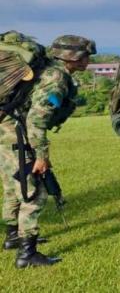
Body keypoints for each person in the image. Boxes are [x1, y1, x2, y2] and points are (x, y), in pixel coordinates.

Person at [0, 34, 95, 268]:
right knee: (33, 192)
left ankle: (13, 236)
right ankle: (27, 254)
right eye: (84, 56)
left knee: (13, 187)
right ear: (70, 57)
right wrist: (42, 156)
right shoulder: (56, 78)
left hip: (5, 132)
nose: (87, 60)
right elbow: (36, 122)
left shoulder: (47, 69)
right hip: (18, 137)